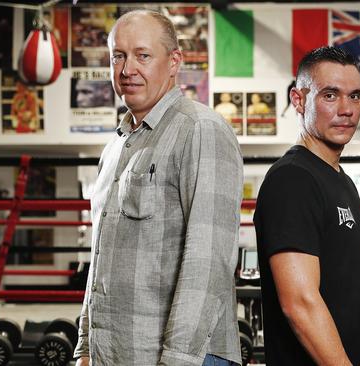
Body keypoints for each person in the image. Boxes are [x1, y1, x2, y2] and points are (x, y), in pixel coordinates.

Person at [73, 10, 243, 366]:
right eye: (118, 56)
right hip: (116, 354)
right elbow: (101, 260)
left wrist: (177, 360)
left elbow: (208, 260)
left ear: (174, 62)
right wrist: (86, 347)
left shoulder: (200, 129)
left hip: (184, 358)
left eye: (143, 55)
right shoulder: (114, 149)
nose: (127, 69)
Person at [253, 46, 360, 366]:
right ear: (298, 100)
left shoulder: (340, 180)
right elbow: (300, 304)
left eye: (355, 96)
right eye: (330, 95)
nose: (346, 109)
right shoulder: (292, 180)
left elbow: (358, 308)